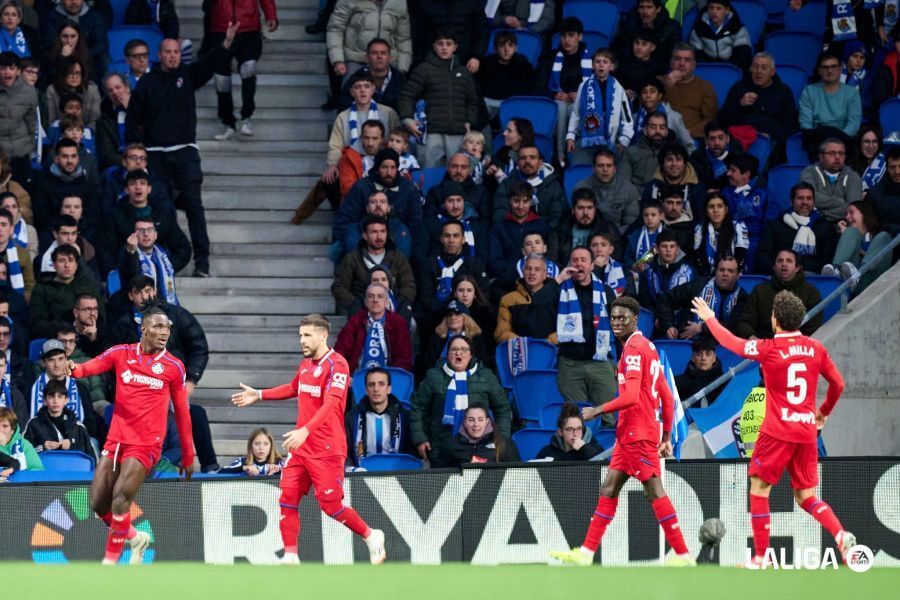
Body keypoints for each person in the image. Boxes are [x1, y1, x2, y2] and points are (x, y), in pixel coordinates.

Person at [692, 290, 856, 567]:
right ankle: (840, 535)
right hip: (806, 433)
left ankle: (760, 558)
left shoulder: (770, 348)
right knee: (807, 497)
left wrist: (709, 318)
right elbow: (838, 384)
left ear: (775, 319)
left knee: (759, 489)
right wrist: (823, 413)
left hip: (777, 432)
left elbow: (733, 343)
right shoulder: (816, 348)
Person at [230, 313, 387, 565]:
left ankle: (371, 535)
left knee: (331, 506)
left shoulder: (338, 364)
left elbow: (332, 403)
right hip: (301, 449)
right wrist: (259, 394)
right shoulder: (305, 365)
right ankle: (291, 555)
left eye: (307, 335)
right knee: (287, 498)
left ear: (323, 335)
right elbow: (294, 387)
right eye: (300, 336)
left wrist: (306, 430)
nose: (301, 340)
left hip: (327, 448)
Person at [551, 296, 694, 567]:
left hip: (636, 434)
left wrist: (597, 410)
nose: (617, 322)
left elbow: (629, 397)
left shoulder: (632, 351)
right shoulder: (649, 347)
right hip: (633, 434)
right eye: (613, 318)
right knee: (608, 489)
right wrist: (664, 436)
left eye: (622, 318)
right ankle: (586, 553)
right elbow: (666, 394)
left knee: (654, 491)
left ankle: (683, 553)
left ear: (635, 320)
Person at [126, 23, 240, 278]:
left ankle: (202, 262)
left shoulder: (188, 75)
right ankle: (164, 258)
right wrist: (136, 153)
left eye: (176, 52)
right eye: (168, 52)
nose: (172, 56)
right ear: (160, 55)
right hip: (155, 155)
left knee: (194, 206)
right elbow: (133, 119)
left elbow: (210, 64)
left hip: (185, 152)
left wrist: (225, 44)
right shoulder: (146, 83)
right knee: (162, 210)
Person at [410, 334, 511, 466]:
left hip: (479, 450)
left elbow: (502, 409)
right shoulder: (434, 376)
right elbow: (418, 408)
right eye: (454, 349)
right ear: (447, 354)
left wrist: (501, 439)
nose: (458, 353)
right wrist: (420, 439)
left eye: (463, 349)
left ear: (471, 355)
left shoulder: (486, 376)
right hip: (441, 449)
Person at [550, 247, 618, 423]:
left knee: (607, 417)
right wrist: (558, 279)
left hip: (600, 362)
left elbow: (618, 328)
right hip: (570, 365)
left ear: (591, 265)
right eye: (574, 260)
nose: (578, 264)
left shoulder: (605, 291)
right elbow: (538, 303)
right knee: (576, 419)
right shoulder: (560, 289)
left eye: (583, 260)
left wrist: (620, 360)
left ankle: (608, 451)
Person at [398, 28, 479, 168]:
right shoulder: (423, 69)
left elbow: (472, 101)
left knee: (456, 174)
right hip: (431, 134)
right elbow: (406, 95)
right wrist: (408, 120)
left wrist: (469, 121)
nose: (444, 47)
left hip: (457, 134)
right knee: (429, 174)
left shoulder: (463, 72)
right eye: (440, 44)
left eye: (448, 44)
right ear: (434, 46)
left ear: (455, 47)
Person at [209, 0, 278, 139]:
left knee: (248, 69)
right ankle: (228, 122)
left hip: (248, 27)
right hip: (221, 27)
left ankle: (247, 117)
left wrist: (270, 15)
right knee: (221, 78)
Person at [332, 214, 416, 316]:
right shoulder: (352, 258)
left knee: (411, 324)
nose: (379, 236)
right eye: (374, 232)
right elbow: (339, 286)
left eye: (382, 231)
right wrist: (355, 303)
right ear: (365, 236)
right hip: (361, 312)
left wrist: (399, 303)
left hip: (394, 310)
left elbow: (409, 285)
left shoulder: (398, 257)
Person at [565, 48, 633, 165]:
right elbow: (576, 113)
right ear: (592, 65)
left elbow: (626, 117)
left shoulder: (618, 88)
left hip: (609, 141)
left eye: (605, 62)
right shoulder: (584, 86)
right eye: (598, 62)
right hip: (586, 140)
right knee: (580, 170)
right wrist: (571, 136)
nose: (601, 65)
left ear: (611, 67)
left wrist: (624, 141)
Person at [735, 250, 822, 339]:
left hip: (795, 347)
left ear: (797, 268)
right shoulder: (760, 290)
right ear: (774, 267)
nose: (784, 264)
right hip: (763, 345)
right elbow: (745, 322)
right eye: (780, 260)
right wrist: (752, 338)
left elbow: (813, 327)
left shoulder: (811, 292)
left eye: (789, 261)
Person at [756, 182, 838, 277]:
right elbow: (762, 256)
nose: (805, 202)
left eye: (809, 198)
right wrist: (781, 269)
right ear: (792, 201)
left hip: (812, 277)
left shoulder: (824, 226)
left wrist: (797, 268)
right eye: (800, 198)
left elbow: (827, 260)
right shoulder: (775, 225)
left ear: (814, 202)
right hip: (779, 276)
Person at [536, 17, 589, 162]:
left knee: (574, 109)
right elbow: (539, 85)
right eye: (564, 36)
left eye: (571, 35)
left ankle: (572, 155)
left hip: (579, 100)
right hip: (555, 100)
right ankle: (560, 155)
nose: (566, 40)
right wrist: (553, 94)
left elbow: (596, 87)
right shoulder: (549, 57)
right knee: (560, 108)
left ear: (580, 36)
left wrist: (581, 95)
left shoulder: (590, 58)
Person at [658, 254, 747, 340]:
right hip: (690, 344)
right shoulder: (698, 286)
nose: (725, 274)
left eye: (730, 271)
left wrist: (701, 328)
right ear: (715, 272)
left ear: (738, 275)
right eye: (721, 270)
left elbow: (734, 325)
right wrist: (669, 325)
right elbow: (666, 298)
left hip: (724, 349)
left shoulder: (742, 297)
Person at [333, 283, 413, 375]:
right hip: (356, 377)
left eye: (380, 296)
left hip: (389, 380)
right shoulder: (356, 320)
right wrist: (345, 375)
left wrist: (393, 378)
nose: (375, 300)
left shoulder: (398, 322)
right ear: (366, 301)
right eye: (371, 296)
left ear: (386, 301)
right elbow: (340, 351)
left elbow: (404, 357)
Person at [718, 52, 798, 143]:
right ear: (750, 69)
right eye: (755, 67)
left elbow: (790, 125)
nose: (758, 71)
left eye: (764, 68)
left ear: (772, 72)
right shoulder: (739, 87)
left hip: (773, 141)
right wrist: (740, 104)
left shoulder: (784, 91)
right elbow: (722, 119)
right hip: (740, 139)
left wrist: (772, 136)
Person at [326, 0, 410, 81]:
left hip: (388, 61)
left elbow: (403, 38)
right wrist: (337, 60)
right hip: (355, 58)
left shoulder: (399, 2)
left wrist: (402, 68)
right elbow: (335, 29)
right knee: (351, 91)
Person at [800, 53, 862, 160]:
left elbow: (853, 125)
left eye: (833, 66)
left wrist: (835, 143)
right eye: (825, 67)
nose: (830, 70)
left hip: (844, 141)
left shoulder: (852, 93)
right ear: (819, 70)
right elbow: (806, 124)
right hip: (818, 141)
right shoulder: (809, 91)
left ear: (840, 69)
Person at [822, 201, 893, 294]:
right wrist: (845, 237)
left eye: (851, 212)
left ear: (864, 213)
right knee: (851, 232)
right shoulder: (848, 234)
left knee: (883, 236)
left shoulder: (880, 237)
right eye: (846, 214)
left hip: (870, 281)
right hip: (851, 284)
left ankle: (856, 275)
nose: (847, 217)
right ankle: (835, 275)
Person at [722, 153, 777, 274]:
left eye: (733, 170)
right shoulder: (726, 193)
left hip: (757, 243)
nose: (728, 174)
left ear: (746, 174)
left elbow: (771, 223)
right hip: (731, 240)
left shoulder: (766, 194)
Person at [118, 216, 189, 306]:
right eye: (140, 230)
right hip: (140, 310)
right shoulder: (127, 253)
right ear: (133, 235)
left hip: (168, 306)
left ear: (155, 235)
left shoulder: (162, 253)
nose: (146, 234)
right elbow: (130, 275)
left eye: (150, 230)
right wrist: (131, 251)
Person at [346, 367, 411, 466]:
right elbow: (345, 451)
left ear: (389, 389)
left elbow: (411, 451)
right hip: (361, 474)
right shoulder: (352, 417)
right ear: (366, 390)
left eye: (381, 384)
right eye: (371, 385)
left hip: (396, 473)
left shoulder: (404, 417)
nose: (376, 389)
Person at [491, 145, 567, 229]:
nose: (527, 161)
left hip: (544, 236)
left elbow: (557, 216)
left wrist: (542, 236)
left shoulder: (553, 185)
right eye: (523, 158)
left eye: (532, 157)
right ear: (518, 162)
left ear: (540, 162)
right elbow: (500, 212)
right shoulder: (507, 184)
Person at [495, 253, 558, 344]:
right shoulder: (508, 300)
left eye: (537, 269)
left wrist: (545, 343)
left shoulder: (558, 297)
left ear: (545, 275)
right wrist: (524, 343)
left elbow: (566, 330)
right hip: (519, 352)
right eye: (528, 268)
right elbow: (501, 333)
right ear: (523, 272)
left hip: (551, 350)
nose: (532, 272)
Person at [574, 148, 640, 235]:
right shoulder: (581, 188)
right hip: (587, 236)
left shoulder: (628, 189)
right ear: (593, 168)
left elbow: (631, 223)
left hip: (618, 238)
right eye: (601, 165)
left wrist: (611, 238)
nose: (605, 169)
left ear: (615, 169)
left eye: (609, 166)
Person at [23, 376, 94, 457]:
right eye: (51, 397)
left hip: (72, 469)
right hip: (45, 468)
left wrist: (71, 445)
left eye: (60, 397)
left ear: (66, 400)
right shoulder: (33, 424)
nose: (56, 401)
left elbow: (90, 456)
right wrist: (42, 448)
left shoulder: (78, 426)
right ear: (44, 401)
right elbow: (24, 453)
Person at [659, 43, 717, 138]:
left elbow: (710, 120)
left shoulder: (705, 87)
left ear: (694, 65)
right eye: (677, 59)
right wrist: (666, 87)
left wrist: (685, 134)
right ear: (671, 62)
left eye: (687, 60)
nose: (682, 64)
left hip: (692, 138)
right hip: (660, 135)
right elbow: (648, 109)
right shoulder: (658, 82)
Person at [799, 138, 863, 222]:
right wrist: (839, 202)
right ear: (821, 157)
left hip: (844, 225)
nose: (837, 157)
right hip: (814, 226)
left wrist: (820, 214)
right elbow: (810, 198)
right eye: (832, 153)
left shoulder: (853, 176)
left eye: (841, 153)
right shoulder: (809, 173)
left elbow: (854, 208)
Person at [637, 228, 697, 318]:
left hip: (682, 323)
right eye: (664, 246)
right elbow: (645, 302)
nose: (668, 250)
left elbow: (692, 302)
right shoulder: (648, 273)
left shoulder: (690, 272)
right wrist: (657, 318)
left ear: (678, 249)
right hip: (655, 322)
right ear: (657, 249)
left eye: (672, 246)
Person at [337, 38, 408, 112]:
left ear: (389, 58)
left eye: (383, 53)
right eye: (374, 53)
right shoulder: (356, 78)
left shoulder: (400, 78)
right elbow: (344, 105)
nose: (379, 57)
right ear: (367, 58)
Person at [439, 403, 520, 467]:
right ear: (465, 422)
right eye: (471, 420)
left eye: (480, 420)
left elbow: (516, 472)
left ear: (487, 421)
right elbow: (440, 475)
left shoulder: (503, 442)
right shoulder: (450, 444)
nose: (476, 424)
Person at [476, 29, 535, 113]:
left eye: (510, 45)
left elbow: (528, 88)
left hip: (513, 103)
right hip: (488, 102)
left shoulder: (523, 65)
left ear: (516, 48)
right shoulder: (486, 64)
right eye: (502, 46)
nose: (507, 49)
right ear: (495, 48)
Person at [643, 143, 705, 222]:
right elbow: (643, 217)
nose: (674, 164)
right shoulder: (652, 187)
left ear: (685, 164)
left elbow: (700, 219)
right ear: (662, 164)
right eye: (669, 159)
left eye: (678, 159)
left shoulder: (696, 189)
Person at [630, 78, 696, 152]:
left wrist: (681, 161)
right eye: (644, 92)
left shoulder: (673, 118)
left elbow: (689, 146)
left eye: (652, 92)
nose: (648, 95)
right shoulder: (634, 118)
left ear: (660, 96)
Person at [692, 191, 749, 275]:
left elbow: (742, 255)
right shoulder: (699, 229)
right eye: (711, 207)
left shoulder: (739, 226)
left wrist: (732, 272)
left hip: (734, 273)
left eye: (720, 206)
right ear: (706, 212)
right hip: (708, 275)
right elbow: (698, 257)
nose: (716, 210)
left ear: (726, 210)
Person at [0, 51, 36, 184]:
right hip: (0, 154)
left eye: (11, 68)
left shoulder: (29, 91)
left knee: (22, 193)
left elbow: (32, 123)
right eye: (3, 68)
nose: (7, 72)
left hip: (21, 152)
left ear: (18, 71)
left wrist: (29, 148)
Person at [688, 0, 752, 71]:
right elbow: (695, 56)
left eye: (718, 8)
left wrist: (726, 69)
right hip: (707, 69)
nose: (714, 12)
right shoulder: (698, 28)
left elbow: (743, 58)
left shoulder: (737, 28)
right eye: (711, 8)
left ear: (727, 10)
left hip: (730, 69)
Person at [619, 111, 671, 191]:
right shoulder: (630, 153)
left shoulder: (671, 154)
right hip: (636, 200)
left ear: (666, 131)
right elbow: (624, 185)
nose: (658, 131)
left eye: (662, 127)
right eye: (653, 127)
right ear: (645, 130)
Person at [614, 0, 681, 61]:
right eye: (641, 7)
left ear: (658, 9)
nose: (645, 11)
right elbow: (621, 50)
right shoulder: (629, 24)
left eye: (649, 7)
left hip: (659, 70)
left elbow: (674, 56)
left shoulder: (672, 27)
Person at [535, 403, 604, 461]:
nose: (575, 434)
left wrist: (584, 448)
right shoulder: (547, 452)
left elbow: (605, 469)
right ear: (560, 432)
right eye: (570, 429)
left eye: (579, 429)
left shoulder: (596, 449)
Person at [46, 56, 101, 128]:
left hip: (87, 133)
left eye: (78, 73)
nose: (74, 77)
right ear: (63, 74)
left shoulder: (92, 90)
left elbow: (95, 120)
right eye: (70, 73)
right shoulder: (52, 90)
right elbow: (51, 121)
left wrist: (85, 134)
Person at [690, 121, 742, 190]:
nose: (717, 143)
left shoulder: (738, 156)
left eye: (720, 138)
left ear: (727, 139)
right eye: (712, 139)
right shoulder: (697, 157)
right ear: (706, 141)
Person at [673, 335, 724, 406]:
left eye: (708, 354)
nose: (703, 358)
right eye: (699, 354)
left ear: (714, 358)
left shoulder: (725, 383)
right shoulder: (676, 383)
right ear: (692, 358)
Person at [866, 145, 900, 237]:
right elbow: (870, 223)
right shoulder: (874, 193)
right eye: (893, 167)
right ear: (887, 168)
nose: (897, 171)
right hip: (884, 243)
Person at [486, 117, 534, 181]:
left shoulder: (532, 160)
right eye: (506, 130)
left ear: (521, 136)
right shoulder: (500, 155)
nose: (504, 133)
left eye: (509, 131)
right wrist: (488, 173)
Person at [219, 427, 283, 476]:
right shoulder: (242, 462)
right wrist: (244, 468)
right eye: (257, 444)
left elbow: (290, 475)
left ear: (271, 446)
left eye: (266, 444)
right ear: (251, 445)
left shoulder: (278, 463)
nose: (261, 448)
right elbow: (221, 471)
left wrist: (276, 471)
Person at [0, 406, 43, 476]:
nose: (0, 430)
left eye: (5, 426)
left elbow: (38, 471)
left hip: (21, 486)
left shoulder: (24, 445)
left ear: (12, 430)